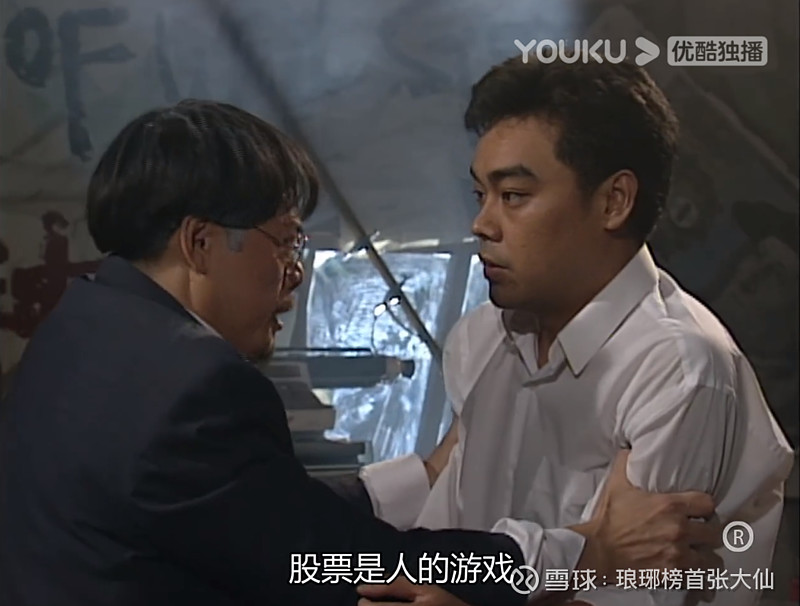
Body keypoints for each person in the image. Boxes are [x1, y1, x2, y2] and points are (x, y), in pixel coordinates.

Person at [0, 100, 720, 606]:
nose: (295, 273)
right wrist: (585, 552)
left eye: (514, 195)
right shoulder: (194, 385)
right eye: (287, 242)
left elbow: (260, 516)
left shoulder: (85, 325)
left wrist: (424, 475)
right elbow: (340, 564)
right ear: (200, 242)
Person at [358, 57, 794, 606]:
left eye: (513, 196)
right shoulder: (482, 337)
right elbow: (447, 531)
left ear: (614, 201)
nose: (482, 224)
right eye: (480, 195)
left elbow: (634, 594)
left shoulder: (678, 366)